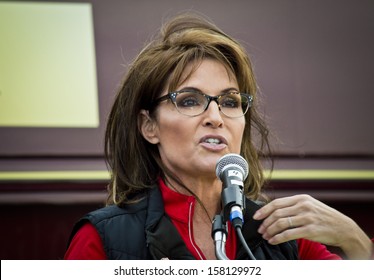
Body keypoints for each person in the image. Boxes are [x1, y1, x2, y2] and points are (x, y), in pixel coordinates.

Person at [64, 13, 373, 260]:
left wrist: (354, 238)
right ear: (150, 127)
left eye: (229, 102)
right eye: (189, 100)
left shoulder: (285, 235)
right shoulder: (102, 240)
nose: (215, 117)